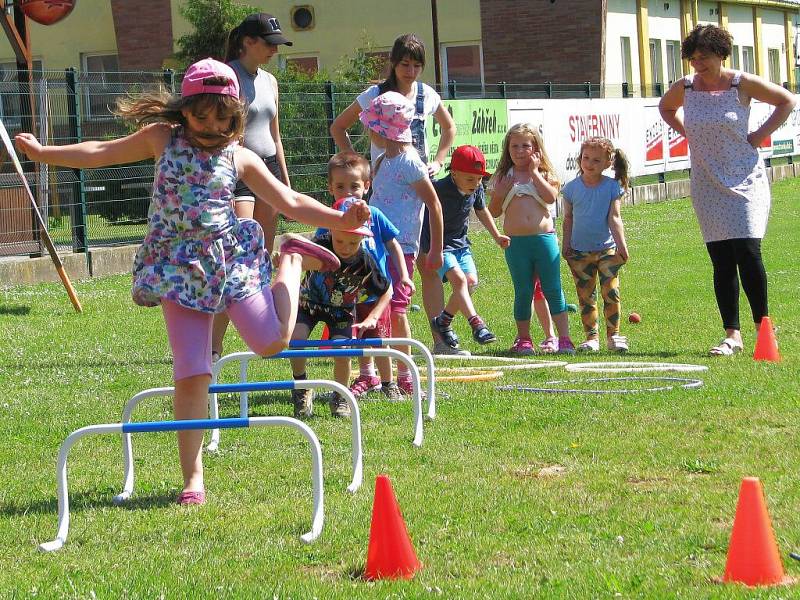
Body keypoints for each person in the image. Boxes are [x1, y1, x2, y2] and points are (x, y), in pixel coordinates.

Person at [14, 58, 370, 505]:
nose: (210, 126)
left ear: (235, 113)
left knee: (272, 343)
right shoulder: (161, 139)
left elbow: (289, 199)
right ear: (184, 110)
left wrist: (341, 217)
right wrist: (46, 154)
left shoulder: (240, 155)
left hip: (229, 263)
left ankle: (291, 258)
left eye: (222, 117)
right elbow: (100, 153)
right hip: (176, 269)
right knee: (191, 373)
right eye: (201, 116)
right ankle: (193, 478)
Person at [659, 24, 795, 356]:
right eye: (692, 58)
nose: (697, 64)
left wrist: (758, 134)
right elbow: (666, 108)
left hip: (745, 178)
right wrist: (688, 133)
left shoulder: (740, 83)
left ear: (721, 54)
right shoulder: (686, 87)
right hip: (707, 182)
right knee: (721, 259)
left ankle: (763, 325)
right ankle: (731, 334)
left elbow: (787, 101)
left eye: (704, 57)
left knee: (748, 251)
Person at [212, 12, 294, 361]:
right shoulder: (226, 76)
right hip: (238, 171)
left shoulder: (270, 81)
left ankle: (260, 335)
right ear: (248, 42)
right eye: (269, 43)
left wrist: (286, 187)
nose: (274, 50)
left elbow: (276, 137)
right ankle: (213, 346)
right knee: (237, 260)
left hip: (268, 168)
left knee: (259, 260)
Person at [360, 91, 444, 396]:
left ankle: (407, 377)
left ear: (384, 130)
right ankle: (368, 373)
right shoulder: (384, 159)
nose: (369, 133)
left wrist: (434, 249)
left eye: (372, 127)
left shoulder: (409, 162)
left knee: (396, 311)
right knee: (370, 308)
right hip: (374, 247)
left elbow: (434, 205)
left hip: (402, 248)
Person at [319, 153, 414, 401]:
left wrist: (403, 274)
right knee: (354, 338)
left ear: (367, 186)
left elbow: (393, 244)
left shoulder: (374, 214)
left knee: (379, 339)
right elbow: (318, 249)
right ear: (330, 187)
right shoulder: (328, 217)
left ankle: (388, 383)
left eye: (354, 186)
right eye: (340, 186)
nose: (348, 192)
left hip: (375, 289)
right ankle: (366, 375)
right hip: (346, 291)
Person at [289, 204, 392, 418]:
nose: (345, 247)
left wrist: (373, 317)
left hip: (341, 312)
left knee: (342, 351)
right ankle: (301, 386)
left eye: (353, 242)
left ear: (363, 239)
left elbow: (387, 290)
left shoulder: (364, 263)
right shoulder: (321, 244)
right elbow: (295, 257)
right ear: (331, 231)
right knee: (295, 341)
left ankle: (340, 395)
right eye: (340, 240)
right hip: (309, 305)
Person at [487, 123, 575, 355]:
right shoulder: (503, 177)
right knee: (523, 290)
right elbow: (494, 211)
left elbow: (550, 197)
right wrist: (500, 192)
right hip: (517, 243)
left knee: (553, 288)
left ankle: (564, 338)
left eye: (525, 145)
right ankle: (524, 338)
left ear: (536, 148)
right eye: (514, 146)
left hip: (543, 240)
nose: (519, 151)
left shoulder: (545, 173)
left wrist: (535, 174)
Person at [419, 145, 509, 354]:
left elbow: (482, 210)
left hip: (461, 245)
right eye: (470, 179)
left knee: (470, 282)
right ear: (454, 173)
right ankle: (477, 324)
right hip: (439, 246)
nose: (476, 184)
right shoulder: (439, 190)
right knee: (458, 281)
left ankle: (443, 320)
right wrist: (432, 249)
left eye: (479, 179)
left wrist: (497, 236)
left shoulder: (476, 189)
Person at [329, 33, 456, 176]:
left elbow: (449, 127)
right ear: (393, 62)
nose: (411, 71)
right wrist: (358, 165)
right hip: (385, 186)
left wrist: (438, 161)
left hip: (420, 185)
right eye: (405, 64)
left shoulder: (426, 94)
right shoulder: (375, 94)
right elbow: (337, 128)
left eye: (417, 66)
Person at [561, 137, 630, 353]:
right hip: (579, 252)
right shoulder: (571, 189)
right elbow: (568, 219)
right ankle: (592, 338)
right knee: (585, 296)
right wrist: (566, 245)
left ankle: (614, 336)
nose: (589, 164)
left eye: (596, 160)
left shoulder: (611, 187)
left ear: (608, 163)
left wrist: (621, 245)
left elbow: (615, 218)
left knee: (611, 292)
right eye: (586, 158)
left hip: (607, 250)